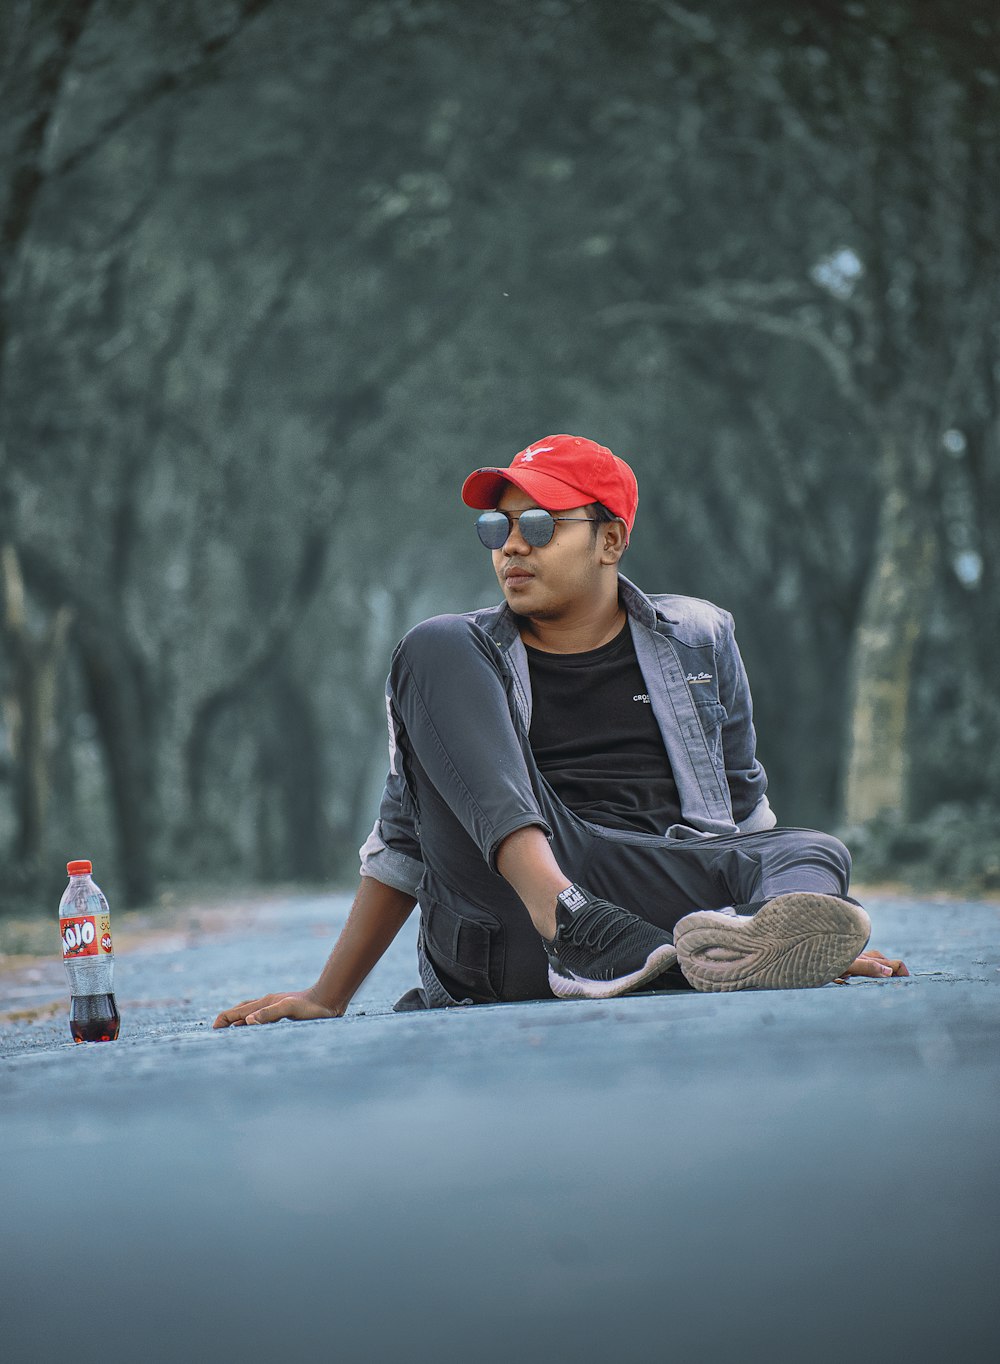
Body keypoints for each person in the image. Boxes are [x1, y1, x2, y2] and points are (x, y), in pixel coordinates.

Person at [214, 434, 907, 1029]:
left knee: (815, 849)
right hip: (513, 916)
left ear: (611, 539)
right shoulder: (460, 663)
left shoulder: (700, 635)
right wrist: (326, 996)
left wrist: (796, 925)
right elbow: (405, 838)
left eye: (540, 525)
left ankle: (725, 952)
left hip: (651, 900)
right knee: (433, 639)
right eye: (498, 528)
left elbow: (742, 812)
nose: (512, 546)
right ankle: (574, 923)